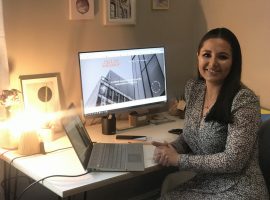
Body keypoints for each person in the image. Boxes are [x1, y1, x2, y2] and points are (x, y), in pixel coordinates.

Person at [152, 27, 269, 199]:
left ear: (233, 62)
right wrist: (171, 148)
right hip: (207, 182)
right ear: (198, 55)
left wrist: (178, 159)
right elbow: (189, 135)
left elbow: (233, 161)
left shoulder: (244, 100)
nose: (212, 63)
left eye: (222, 57)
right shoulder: (194, 89)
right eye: (207, 55)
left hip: (240, 189)